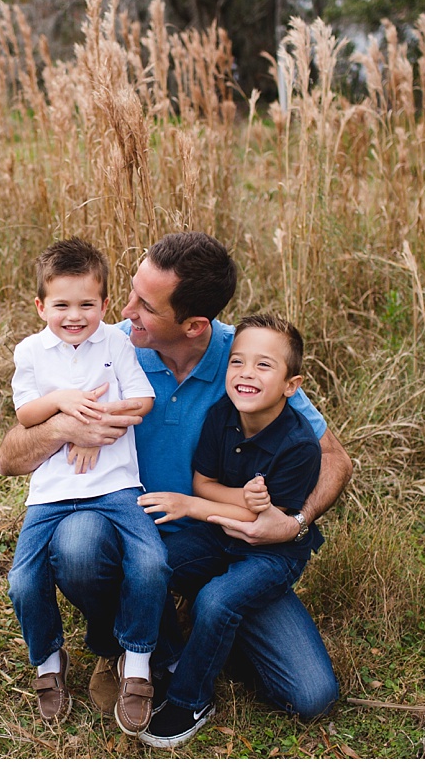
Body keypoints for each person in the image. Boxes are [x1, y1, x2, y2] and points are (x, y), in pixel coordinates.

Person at [0, 232, 352, 733]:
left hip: (224, 542)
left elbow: (334, 457)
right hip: (130, 530)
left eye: (144, 304)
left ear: (194, 325)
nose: (124, 309)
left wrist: (295, 521)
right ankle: (127, 645)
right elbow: (9, 458)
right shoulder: (108, 344)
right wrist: (64, 424)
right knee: (76, 547)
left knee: (310, 694)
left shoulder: (243, 362)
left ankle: (189, 622)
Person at [136, 313, 321, 747]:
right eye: (237, 362)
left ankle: (192, 699)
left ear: (291, 386)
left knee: (218, 602)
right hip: (220, 537)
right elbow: (205, 482)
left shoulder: (299, 446)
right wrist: (242, 499)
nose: (246, 374)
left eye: (263, 365)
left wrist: (191, 506)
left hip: (271, 555)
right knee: (151, 564)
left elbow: (264, 523)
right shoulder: (222, 416)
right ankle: (171, 663)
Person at [6, 237, 168, 735]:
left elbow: (143, 401)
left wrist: (99, 422)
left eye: (86, 304)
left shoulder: (115, 343)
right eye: (61, 305)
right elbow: (26, 413)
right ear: (41, 306)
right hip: (52, 492)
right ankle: (48, 659)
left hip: (116, 485)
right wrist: (66, 403)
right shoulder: (31, 350)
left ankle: (136, 663)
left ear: (103, 303)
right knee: (22, 580)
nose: (74, 316)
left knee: (152, 560)